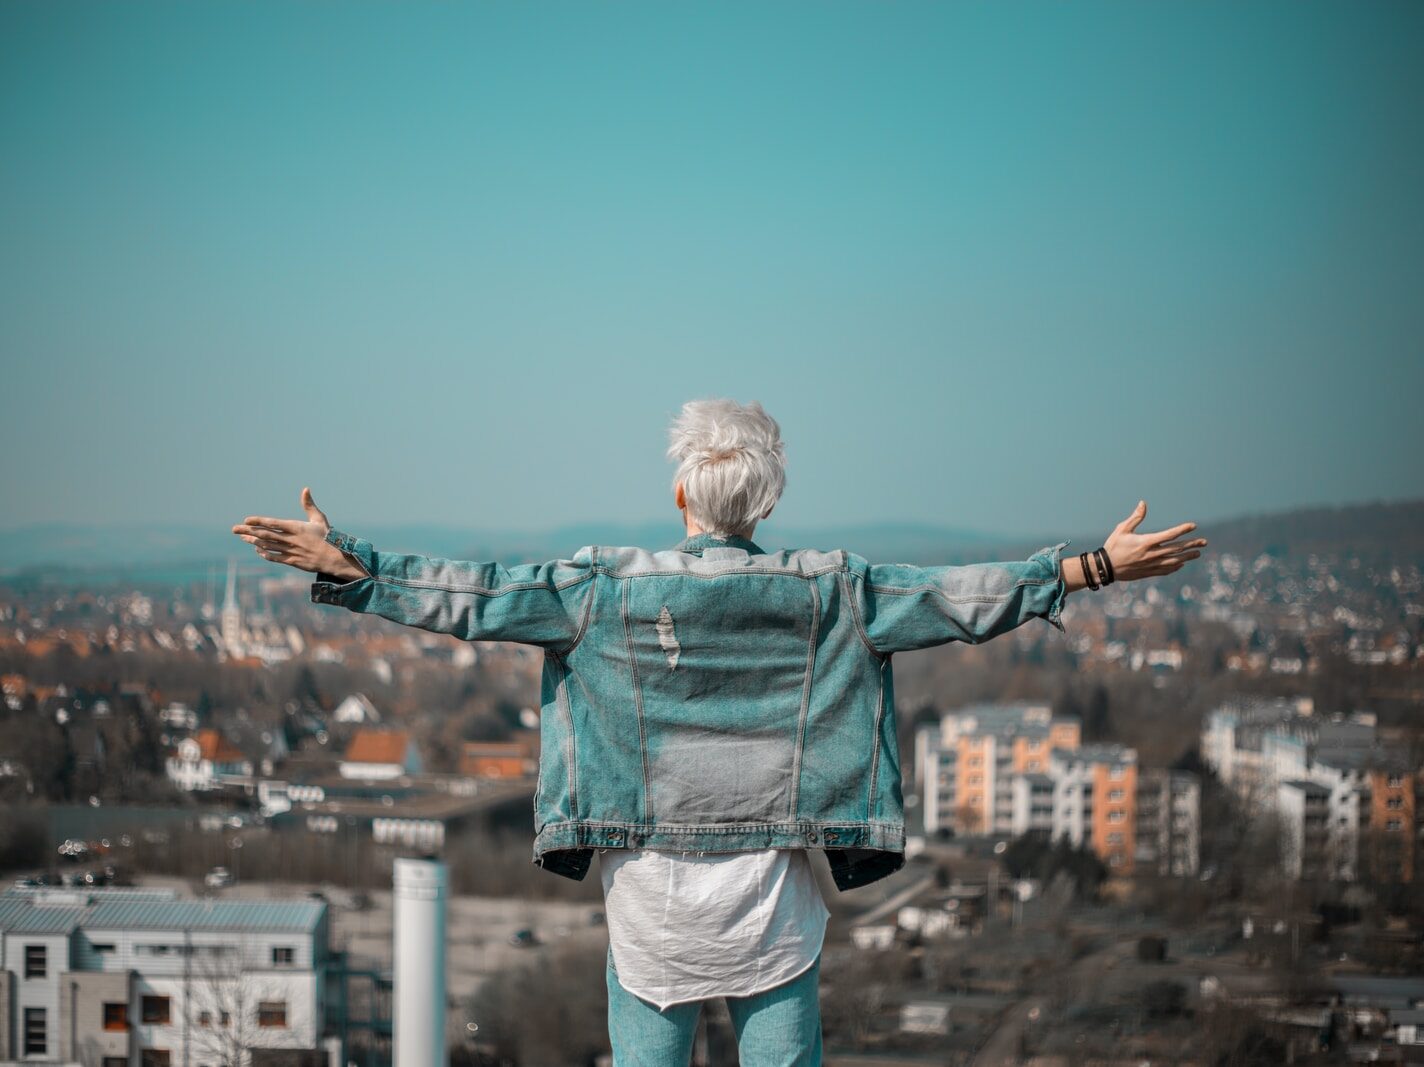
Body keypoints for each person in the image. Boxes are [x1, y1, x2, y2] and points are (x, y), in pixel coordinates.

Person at [232, 398, 1206, 1066]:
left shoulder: (597, 590)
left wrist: (349, 563)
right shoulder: (836, 592)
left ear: (680, 497)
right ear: (768, 502)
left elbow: (474, 597)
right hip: (772, 911)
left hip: (650, 911)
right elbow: (963, 598)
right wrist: (1088, 567)